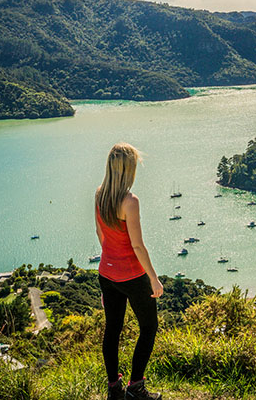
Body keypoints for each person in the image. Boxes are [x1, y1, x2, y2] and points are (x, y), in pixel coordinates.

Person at [95, 143, 164, 400]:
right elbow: (137, 245)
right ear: (128, 170)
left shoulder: (99, 194)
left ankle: (114, 388)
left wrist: (109, 268)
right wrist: (154, 279)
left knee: (112, 329)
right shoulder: (130, 201)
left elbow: (101, 235)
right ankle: (136, 388)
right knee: (148, 327)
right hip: (132, 276)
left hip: (106, 273)